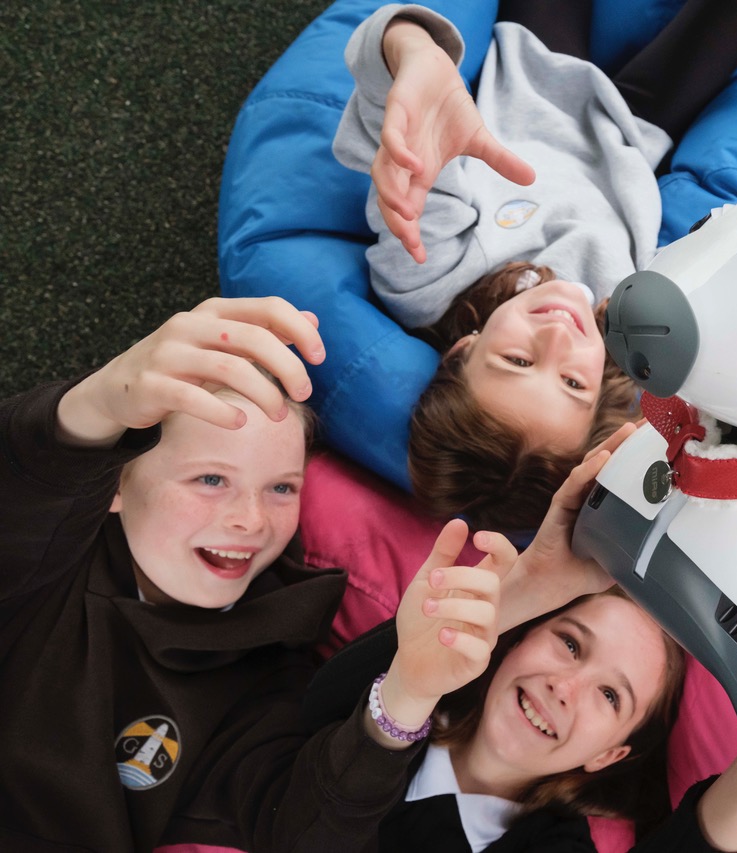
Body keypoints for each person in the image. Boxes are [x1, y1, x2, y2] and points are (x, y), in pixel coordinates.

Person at [0, 296, 515, 852]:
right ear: (117, 485)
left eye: (281, 488)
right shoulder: (46, 553)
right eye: (210, 480)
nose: (249, 521)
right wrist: (99, 402)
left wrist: (409, 692)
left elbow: (299, 828)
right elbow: (35, 474)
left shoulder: (272, 655)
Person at [333, 1, 737, 531]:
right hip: (641, 125)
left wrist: (412, 53)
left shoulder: (429, 276)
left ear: (464, 348)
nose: (558, 338)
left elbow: (387, 102)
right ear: (600, 392)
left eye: (517, 360)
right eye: (574, 382)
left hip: (536, 76)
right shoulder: (635, 322)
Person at [304, 422, 737, 852]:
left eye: (612, 698)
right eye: (570, 643)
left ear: (611, 755)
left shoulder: (553, 846)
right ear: (512, 645)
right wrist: (524, 591)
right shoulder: (376, 700)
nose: (565, 686)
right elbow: (314, 723)